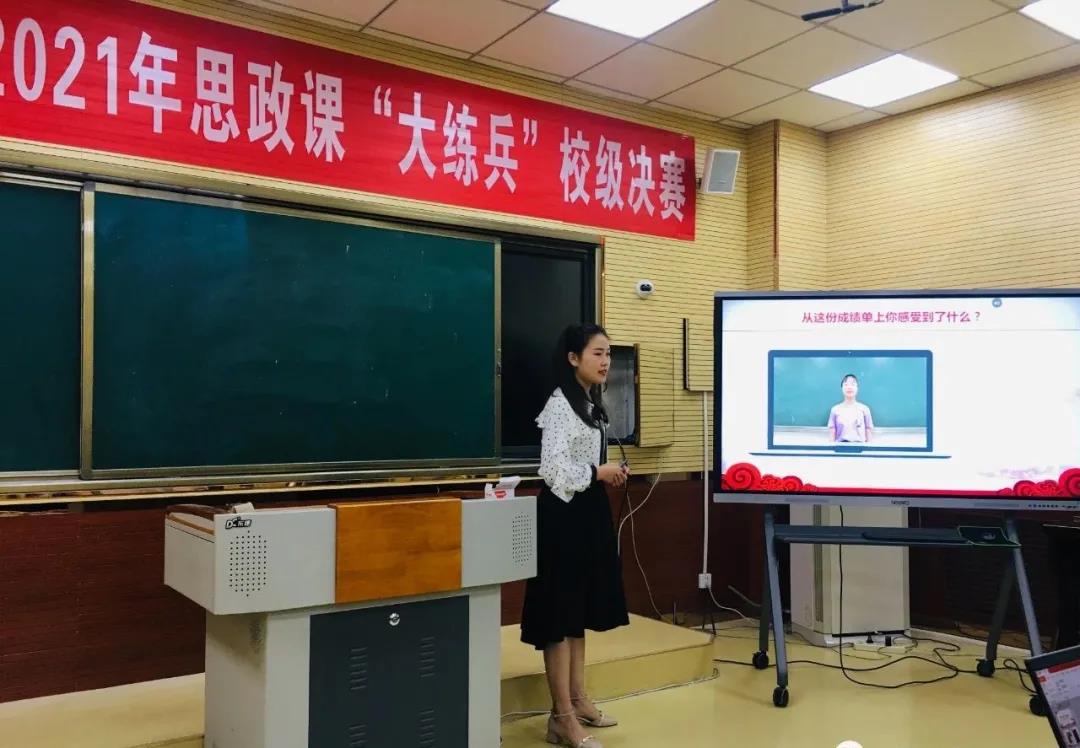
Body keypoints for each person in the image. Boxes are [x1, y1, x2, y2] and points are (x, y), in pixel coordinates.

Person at [520, 323, 631, 748]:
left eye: (608, 354)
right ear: (573, 358)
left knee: (578, 611)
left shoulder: (588, 402)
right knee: (559, 616)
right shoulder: (559, 405)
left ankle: (579, 700)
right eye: (597, 353)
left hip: (587, 512)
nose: (606, 362)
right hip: (562, 519)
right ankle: (562, 718)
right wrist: (597, 472)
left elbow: (581, 463)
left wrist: (606, 474)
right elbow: (551, 470)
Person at [829, 373, 873, 443]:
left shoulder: (865, 409)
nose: (849, 387)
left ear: (857, 388)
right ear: (842, 388)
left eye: (853, 384)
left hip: (860, 447)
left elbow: (868, 431)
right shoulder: (835, 410)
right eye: (846, 385)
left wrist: (869, 448)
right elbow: (832, 435)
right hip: (840, 447)